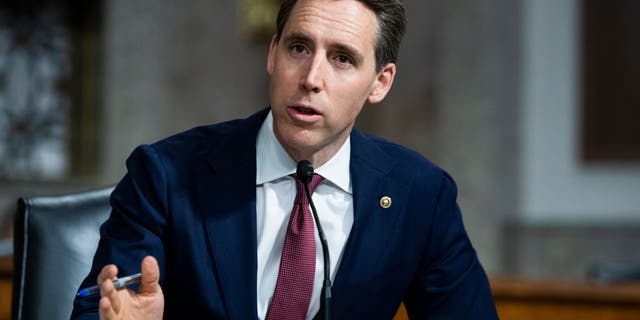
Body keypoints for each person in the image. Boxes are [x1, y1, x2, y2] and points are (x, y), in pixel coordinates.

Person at [72, 0, 498, 319]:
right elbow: (98, 307)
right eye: (299, 48)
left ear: (380, 82)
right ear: (273, 54)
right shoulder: (165, 175)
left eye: (342, 58)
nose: (311, 79)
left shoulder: (419, 194)